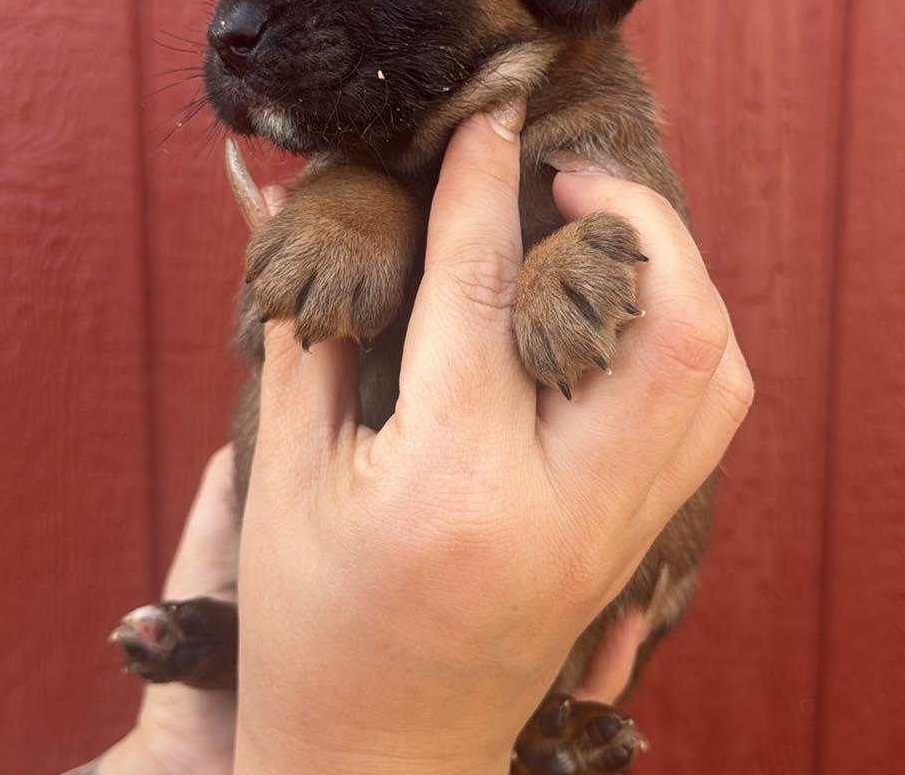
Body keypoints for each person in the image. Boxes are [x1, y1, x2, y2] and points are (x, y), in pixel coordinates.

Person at [74, 102, 753, 774]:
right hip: (309, 611)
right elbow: (273, 331)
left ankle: (538, 712)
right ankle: (251, 648)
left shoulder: (585, 130)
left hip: (555, 632)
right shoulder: (355, 179)